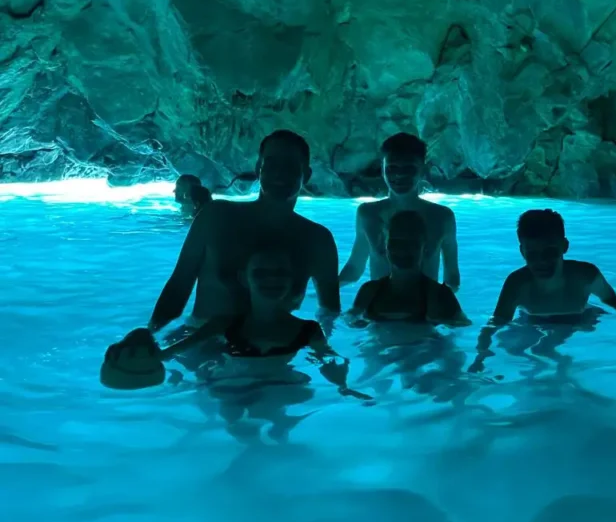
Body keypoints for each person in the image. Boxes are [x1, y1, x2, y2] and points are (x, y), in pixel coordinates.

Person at [104, 130, 341, 369]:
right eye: (272, 164)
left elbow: (329, 312)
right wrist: (150, 333)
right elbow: (179, 285)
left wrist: (323, 355)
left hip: (274, 355)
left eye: (291, 166)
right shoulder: (216, 217)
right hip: (199, 350)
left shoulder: (317, 240)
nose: (280, 173)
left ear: (306, 174)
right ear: (259, 167)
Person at [101, 249, 360, 397]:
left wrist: (344, 387)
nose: (271, 280)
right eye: (261, 273)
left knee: (280, 427)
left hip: (280, 383)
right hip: (228, 383)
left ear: (292, 280)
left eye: (280, 274)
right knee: (239, 425)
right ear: (243, 278)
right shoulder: (225, 323)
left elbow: (328, 358)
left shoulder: (307, 329)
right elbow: (176, 349)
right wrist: (142, 348)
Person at [470, 209, 616, 372]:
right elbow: (496, 322)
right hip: (534, 320)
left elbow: (611, 300)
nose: (541, 262)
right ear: (522, 252)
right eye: (532, 255)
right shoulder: (517, 283)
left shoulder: (585, 275)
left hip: (580, 318)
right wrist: (481, 356)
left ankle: (557, 362)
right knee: (512, 347)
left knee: (545, 347)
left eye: (549, 253)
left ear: (565, 246)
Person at [338, 132, 460, 291]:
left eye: (409, 168)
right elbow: (355, 268)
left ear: (423, 170)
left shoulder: (442, 217)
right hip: (377, 309)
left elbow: (452, 278)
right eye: (392, 168)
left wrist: (441, 307)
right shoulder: (367, 214)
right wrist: (326, 292)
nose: (399, 174)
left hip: (424, 311)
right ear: (382, 169)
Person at [348, 211, 469, 326]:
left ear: (425, 246)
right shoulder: (369, 291)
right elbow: (349, 319)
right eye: (395, 243)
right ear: (384, 245)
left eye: (411, 244)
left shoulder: (441, 295)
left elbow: (463, 324)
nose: (402, 250)